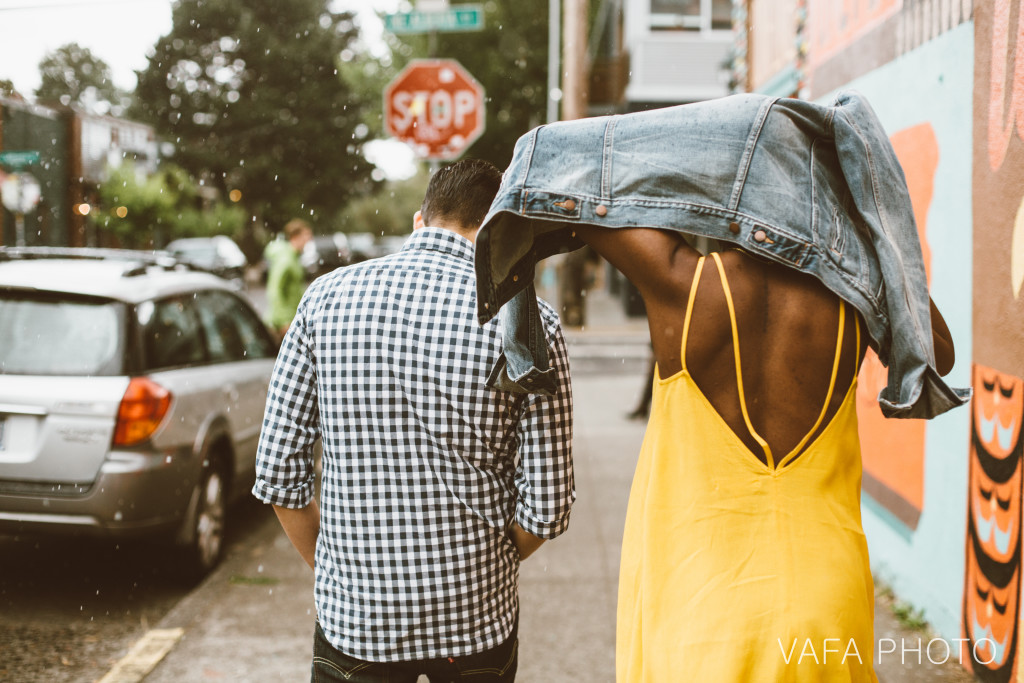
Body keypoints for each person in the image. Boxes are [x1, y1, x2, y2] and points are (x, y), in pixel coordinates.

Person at [470, 91, 967, 681]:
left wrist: (702, 157)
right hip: (825, 593)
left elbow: (568, 185)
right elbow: (935, 348)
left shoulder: (682, 282)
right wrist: (859, 226)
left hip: (703, 598)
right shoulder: (854, 304)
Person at [252, 158, 575, 683]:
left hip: (356, 625)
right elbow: (548, 508)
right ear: (499, 228)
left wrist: (337, 571)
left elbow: (279, 476)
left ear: (420, 221)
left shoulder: (325, 300)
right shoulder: (529, 323)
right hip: (476, 624)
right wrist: (479, 568)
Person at [263, 217, 312, 338]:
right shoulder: (286, 259)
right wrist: (284, 321)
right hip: (284, 323)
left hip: (293, 318)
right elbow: (274, 290)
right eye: (306, 236)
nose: (308, 240)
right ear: (296, 237)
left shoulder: (294, 257)